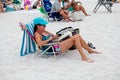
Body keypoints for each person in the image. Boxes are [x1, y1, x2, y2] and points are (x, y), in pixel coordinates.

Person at [33, 17, 100, 62]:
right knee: (76, 37)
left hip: (56, 44)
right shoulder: (37, 34)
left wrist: (56, 36)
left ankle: (90, 50)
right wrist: (50, 38)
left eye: (45, 25)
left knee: (77, 36)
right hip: (53, 48)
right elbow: (39, 44)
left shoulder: (44, 31)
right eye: (43, 25)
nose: (45, 26)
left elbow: (53, 36)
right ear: (38, 26)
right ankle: (84, 57)